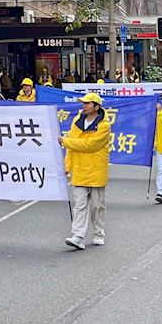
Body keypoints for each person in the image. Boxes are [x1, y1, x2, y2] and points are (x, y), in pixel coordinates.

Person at [61, 92, 111, 250]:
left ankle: (98, 233)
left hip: (96, 170)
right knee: (79, 205)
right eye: (84, 103)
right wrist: (67, 166)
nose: (84, 106)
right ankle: (78, 236)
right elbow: (71, 146)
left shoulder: (104, 125)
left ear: (96, 106)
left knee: (97, 206)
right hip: (79, 169)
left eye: (88, 103)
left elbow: (90, 145)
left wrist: (66, 142)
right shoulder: (77, 120)